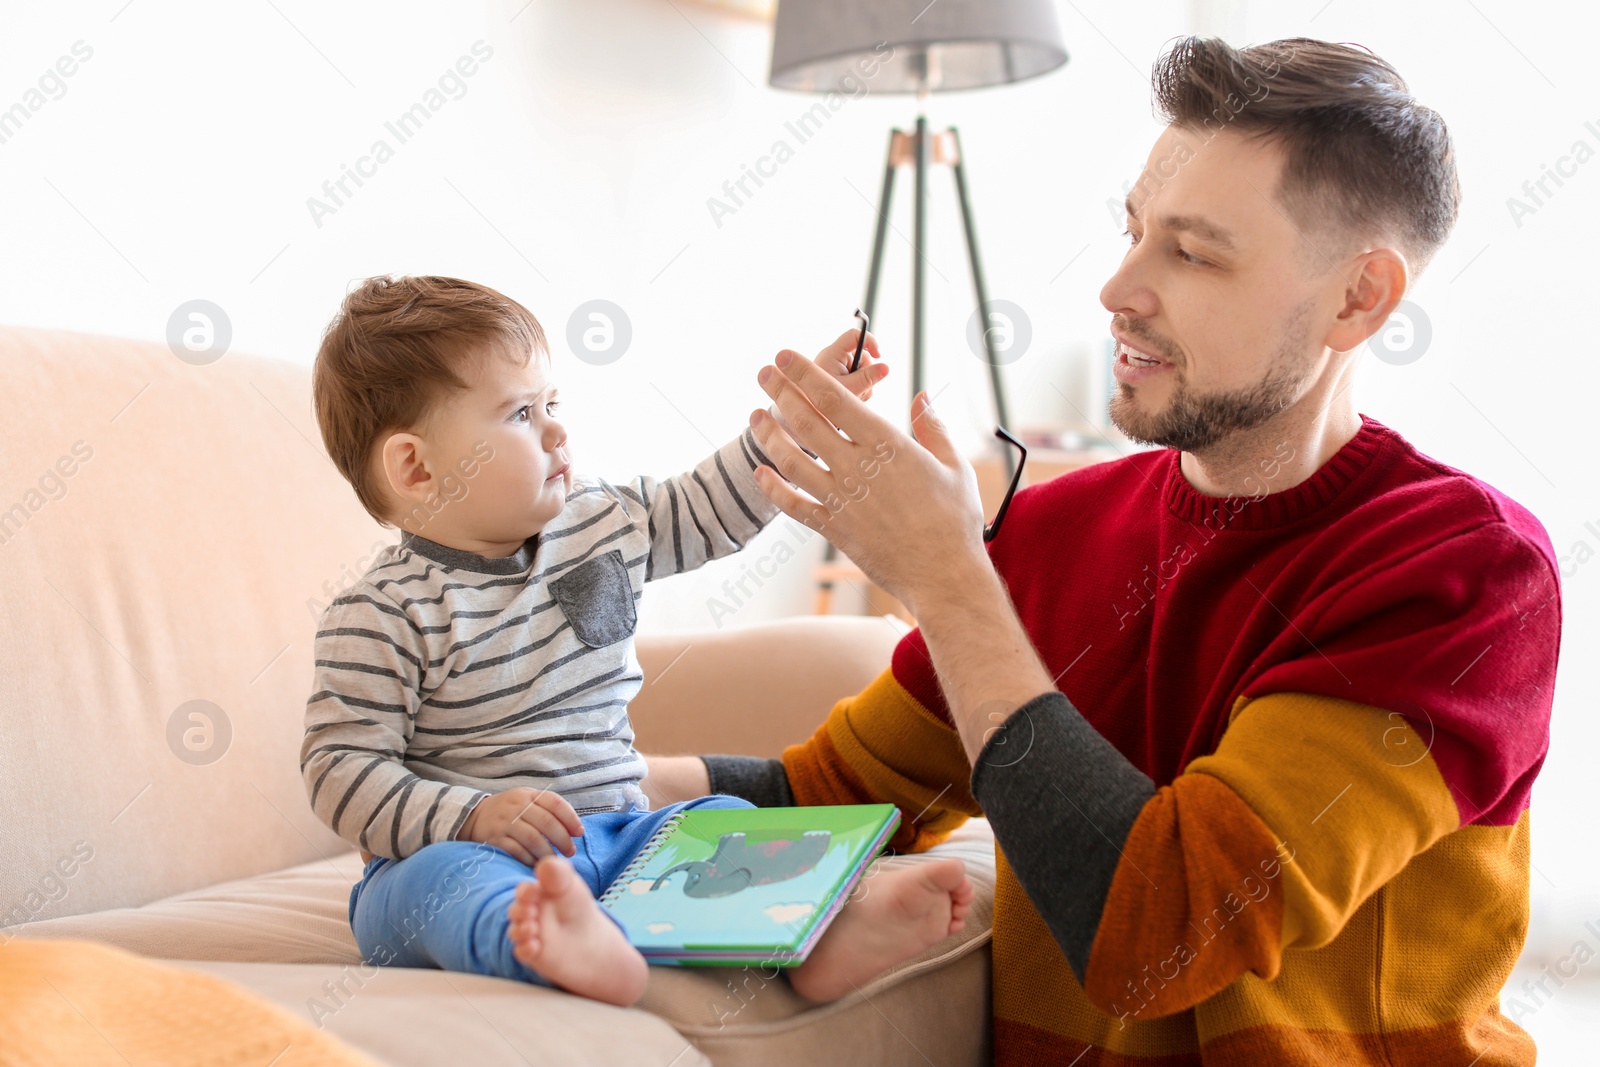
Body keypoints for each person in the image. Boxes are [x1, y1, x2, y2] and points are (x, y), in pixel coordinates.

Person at [646, 37, 1562, 1065]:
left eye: (1194, 252)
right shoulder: (1051, 536)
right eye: (1133, 232)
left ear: (1358, 298)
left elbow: (1165, 937)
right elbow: (815, 804)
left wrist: (949, 583)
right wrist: (541, 783)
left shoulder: (1464, 574)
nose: (1118, 286)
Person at [300, 275, 974, 1008]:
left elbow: (699, 506)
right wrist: (467, 815)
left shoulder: (594, 519)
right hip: (472, 853)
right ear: (417, 467)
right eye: (521, 414)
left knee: (724, 825)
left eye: (551, 403)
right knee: (434, 890)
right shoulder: (380, 614)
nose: (557, 429)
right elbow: (341, 768)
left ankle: (818, 937)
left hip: (623, 832)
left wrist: (791, 429)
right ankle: (552, 944)